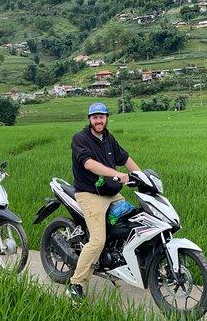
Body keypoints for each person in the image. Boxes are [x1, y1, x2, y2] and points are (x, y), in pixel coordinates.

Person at [66, 102, 140, 300]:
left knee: (132, 223)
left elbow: (125, 158)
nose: (99, 120)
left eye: (102, 116)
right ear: (89, 119)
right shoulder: (80, 138)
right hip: (90, 194)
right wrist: (118, 175)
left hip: (111, 193)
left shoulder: (108, 137)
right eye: (95, 117)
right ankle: (76, 284)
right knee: (98, 240)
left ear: (107, 118)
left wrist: (142, 177)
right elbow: (88, 164)